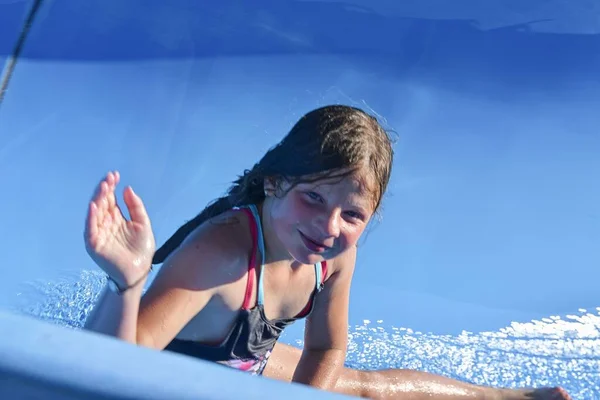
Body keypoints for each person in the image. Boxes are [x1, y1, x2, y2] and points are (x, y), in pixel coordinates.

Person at [83, 105, 570, 399]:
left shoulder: (334, 256)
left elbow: (327, 348)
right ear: (274, 182)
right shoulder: (221, 254)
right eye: (312, 197)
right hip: (164, 378)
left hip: (240, 365)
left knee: (363, 387)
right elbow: (113, 365)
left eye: (352, 215)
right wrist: (126, 283)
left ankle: (504, 396)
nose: (329, 226)